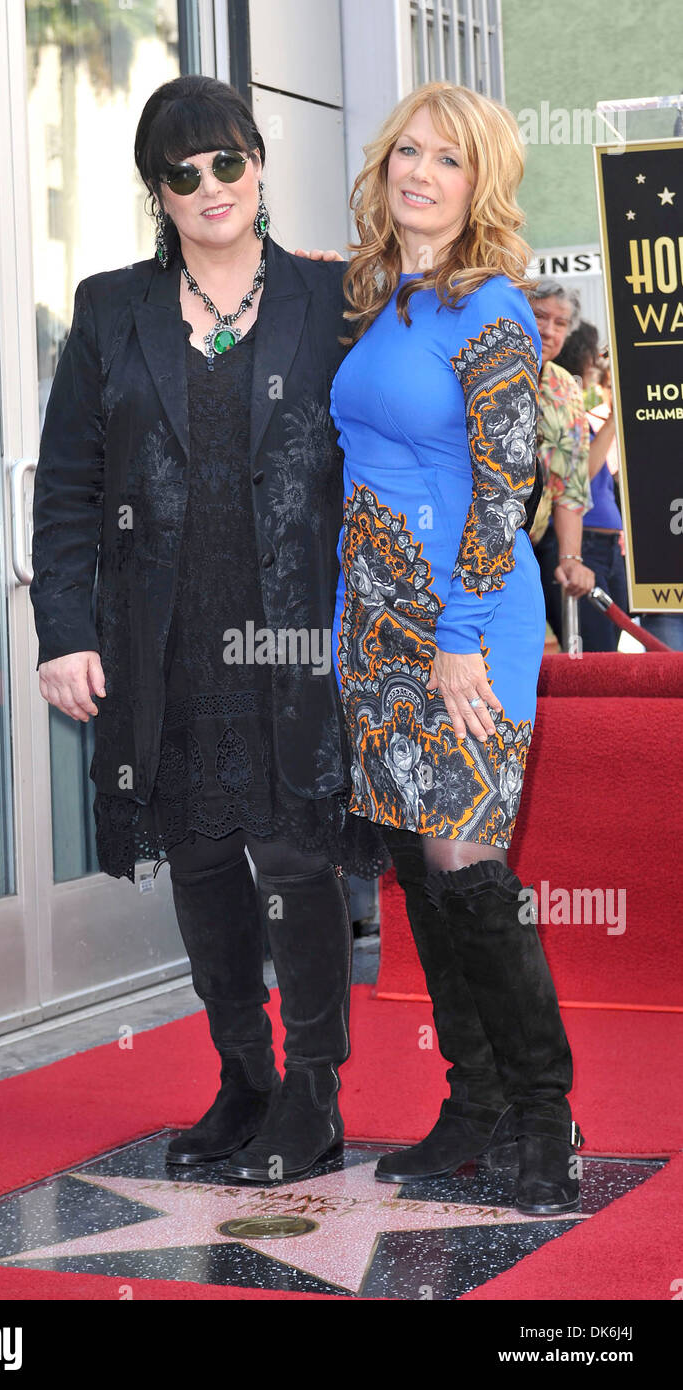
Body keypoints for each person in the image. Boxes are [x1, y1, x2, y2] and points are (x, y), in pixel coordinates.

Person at [29, 75, 387, 1186]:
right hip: (163, 638)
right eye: (180, 173)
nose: (208, 186)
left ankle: (313, 1090)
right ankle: (241, 1075)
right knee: (197, 856)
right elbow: (71, 488)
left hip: (292, 641)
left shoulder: (330, 302)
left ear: (258, 164)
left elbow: (388, 455)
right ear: (158, 193)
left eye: (225, 161)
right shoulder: (109, 311)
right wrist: (64, 629)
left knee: (293, 854)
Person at [330, 80, 583, 1215]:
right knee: (415, 872)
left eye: (446, 159)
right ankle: (472, 1100)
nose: (419, 174)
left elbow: (504, 486)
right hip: (376, 634)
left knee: (465, 869)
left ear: (479, 184)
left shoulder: (488, 308)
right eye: (405, 154)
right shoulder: (386, 297)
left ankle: (545, 1115)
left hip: (463, 628)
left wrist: (462, 640)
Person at [527, 279, 595, 647]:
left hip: (533, 543)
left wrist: (570, 557)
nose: (548, 331)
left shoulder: (567, 386)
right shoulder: (481, 366)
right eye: (540, 316)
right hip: (469, 544)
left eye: (560, 323)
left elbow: (570, 482)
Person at [555, 322, 628, 651]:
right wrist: (614, 417)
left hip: (610, 545)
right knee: (600, 649)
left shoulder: (583, 416)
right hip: (589, 542)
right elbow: (581, 474)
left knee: (615, 639)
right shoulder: (574, 418)